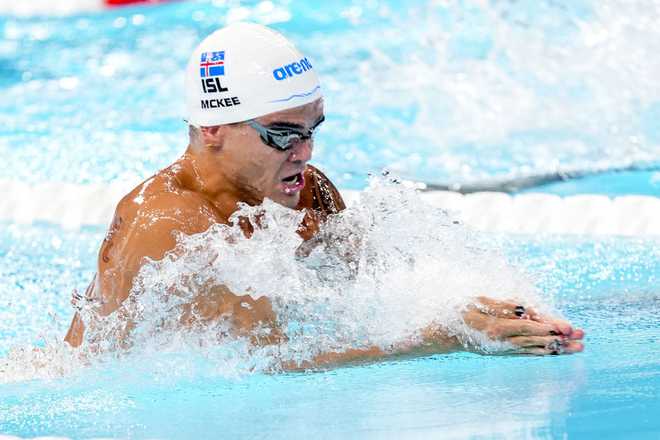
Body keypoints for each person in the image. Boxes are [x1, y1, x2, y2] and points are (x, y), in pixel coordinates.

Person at [64, 23, 584, 367]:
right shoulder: (168, 224)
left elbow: (367, 294)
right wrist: (444, 337)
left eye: (313, 129)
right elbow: (268, 361)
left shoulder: (305, 192)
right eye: (282, 135)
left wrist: (471, 309)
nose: (306, 152)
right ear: (214, 128)